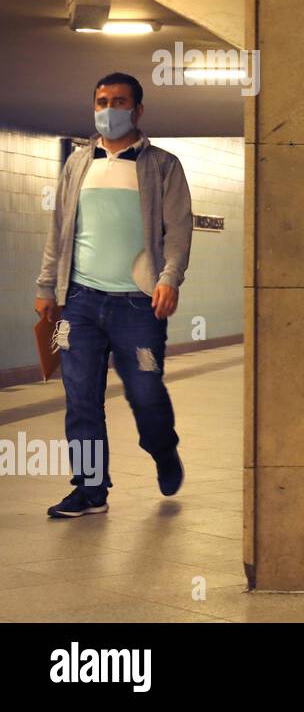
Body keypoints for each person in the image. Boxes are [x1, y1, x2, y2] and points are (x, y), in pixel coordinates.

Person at [34, 72, 192, 517]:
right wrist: (48, 286)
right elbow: (60, 230)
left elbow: (178, 231)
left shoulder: (163, 165)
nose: (108, 109)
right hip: (80, 303)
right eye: (101, 101)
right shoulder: (77, 164)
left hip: (138, 306)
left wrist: (169, 278)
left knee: (144, 391)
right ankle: (90, 490)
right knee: (81, 399)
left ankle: (162, 449)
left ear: (138, 110)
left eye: (119, 101)